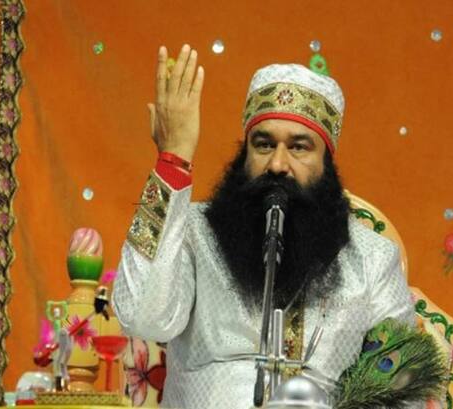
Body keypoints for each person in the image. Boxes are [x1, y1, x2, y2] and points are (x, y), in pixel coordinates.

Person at [112, 44, 416, 409]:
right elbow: (140, 317)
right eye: (263, 144)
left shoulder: (373, 259)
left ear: (327, 163)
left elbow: (403, 393)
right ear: (246, 153)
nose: (277, 164)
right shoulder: (194, 233)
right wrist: (173, 159)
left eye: (299, 147)